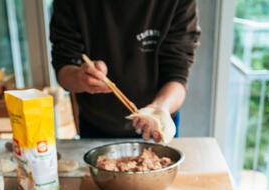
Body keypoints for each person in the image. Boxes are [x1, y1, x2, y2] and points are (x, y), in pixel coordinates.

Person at [50, 0, 201, 142]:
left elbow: (178, 74)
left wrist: (159, 110)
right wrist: (81, 78)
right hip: (96, 124)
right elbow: (64, 66)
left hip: (159, 120)